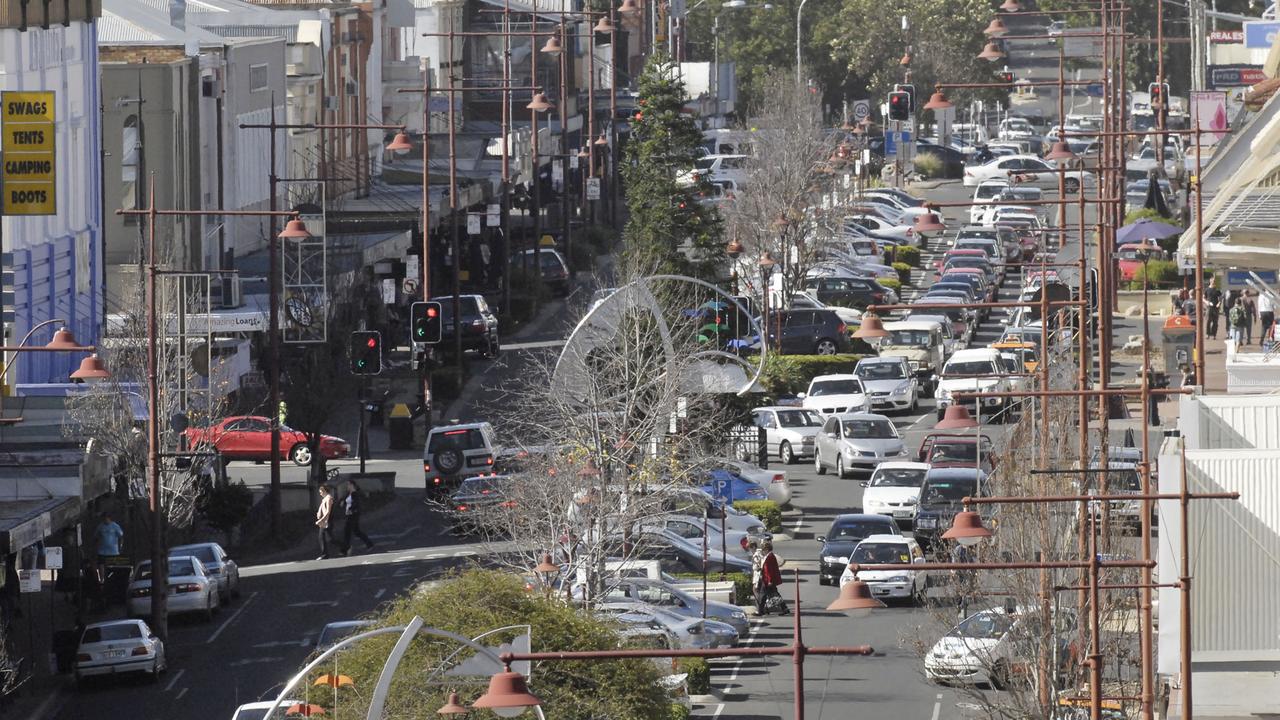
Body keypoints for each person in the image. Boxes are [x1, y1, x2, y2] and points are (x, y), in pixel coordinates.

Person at [340, 480, 375, 556]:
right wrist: (343, 503)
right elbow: (347, 502)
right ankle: (369, 544)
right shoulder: (349, 494)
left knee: (347, 532)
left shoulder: (355, 494)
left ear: (352, 485)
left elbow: (356, 504)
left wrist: (350, 509)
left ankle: (345, 550)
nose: (347, 486)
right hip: (350, 515)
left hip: (353, 515)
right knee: (356, 532)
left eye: (348, 485)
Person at [756, 540, 788, 616]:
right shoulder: (770, 556)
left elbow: (769, 570)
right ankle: (784, 608)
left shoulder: (769, 557)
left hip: (768, 580)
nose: (762, 552)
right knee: (774, 594)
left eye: (763, 550)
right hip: (768, 579)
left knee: (763, 595)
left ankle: (760, 611)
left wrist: (770, 581)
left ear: (766, 549)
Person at [93, 512, 124, 579]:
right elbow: (96, 537)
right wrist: (96, 547)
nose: (105, 519)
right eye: (103, 518)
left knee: (113, 567)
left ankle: (114, 579)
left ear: (109, 518)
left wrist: (121, 546)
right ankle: (102, 579)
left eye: (106, 518)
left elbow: (121, 537)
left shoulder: (115, 526)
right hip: (102, 551)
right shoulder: (100, 526)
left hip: (113, 551)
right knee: (101, 565)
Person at [315, 484, 335, 560]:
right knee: (322, 537)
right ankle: (325, 554)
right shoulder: (324, 499)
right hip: (324, 521)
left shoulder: (329, 498)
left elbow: (328, 512)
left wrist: (321, 520)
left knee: (329, 538)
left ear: (324, 491)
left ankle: (345, 546)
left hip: (327, 521)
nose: (320, 494)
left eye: (321, 492)